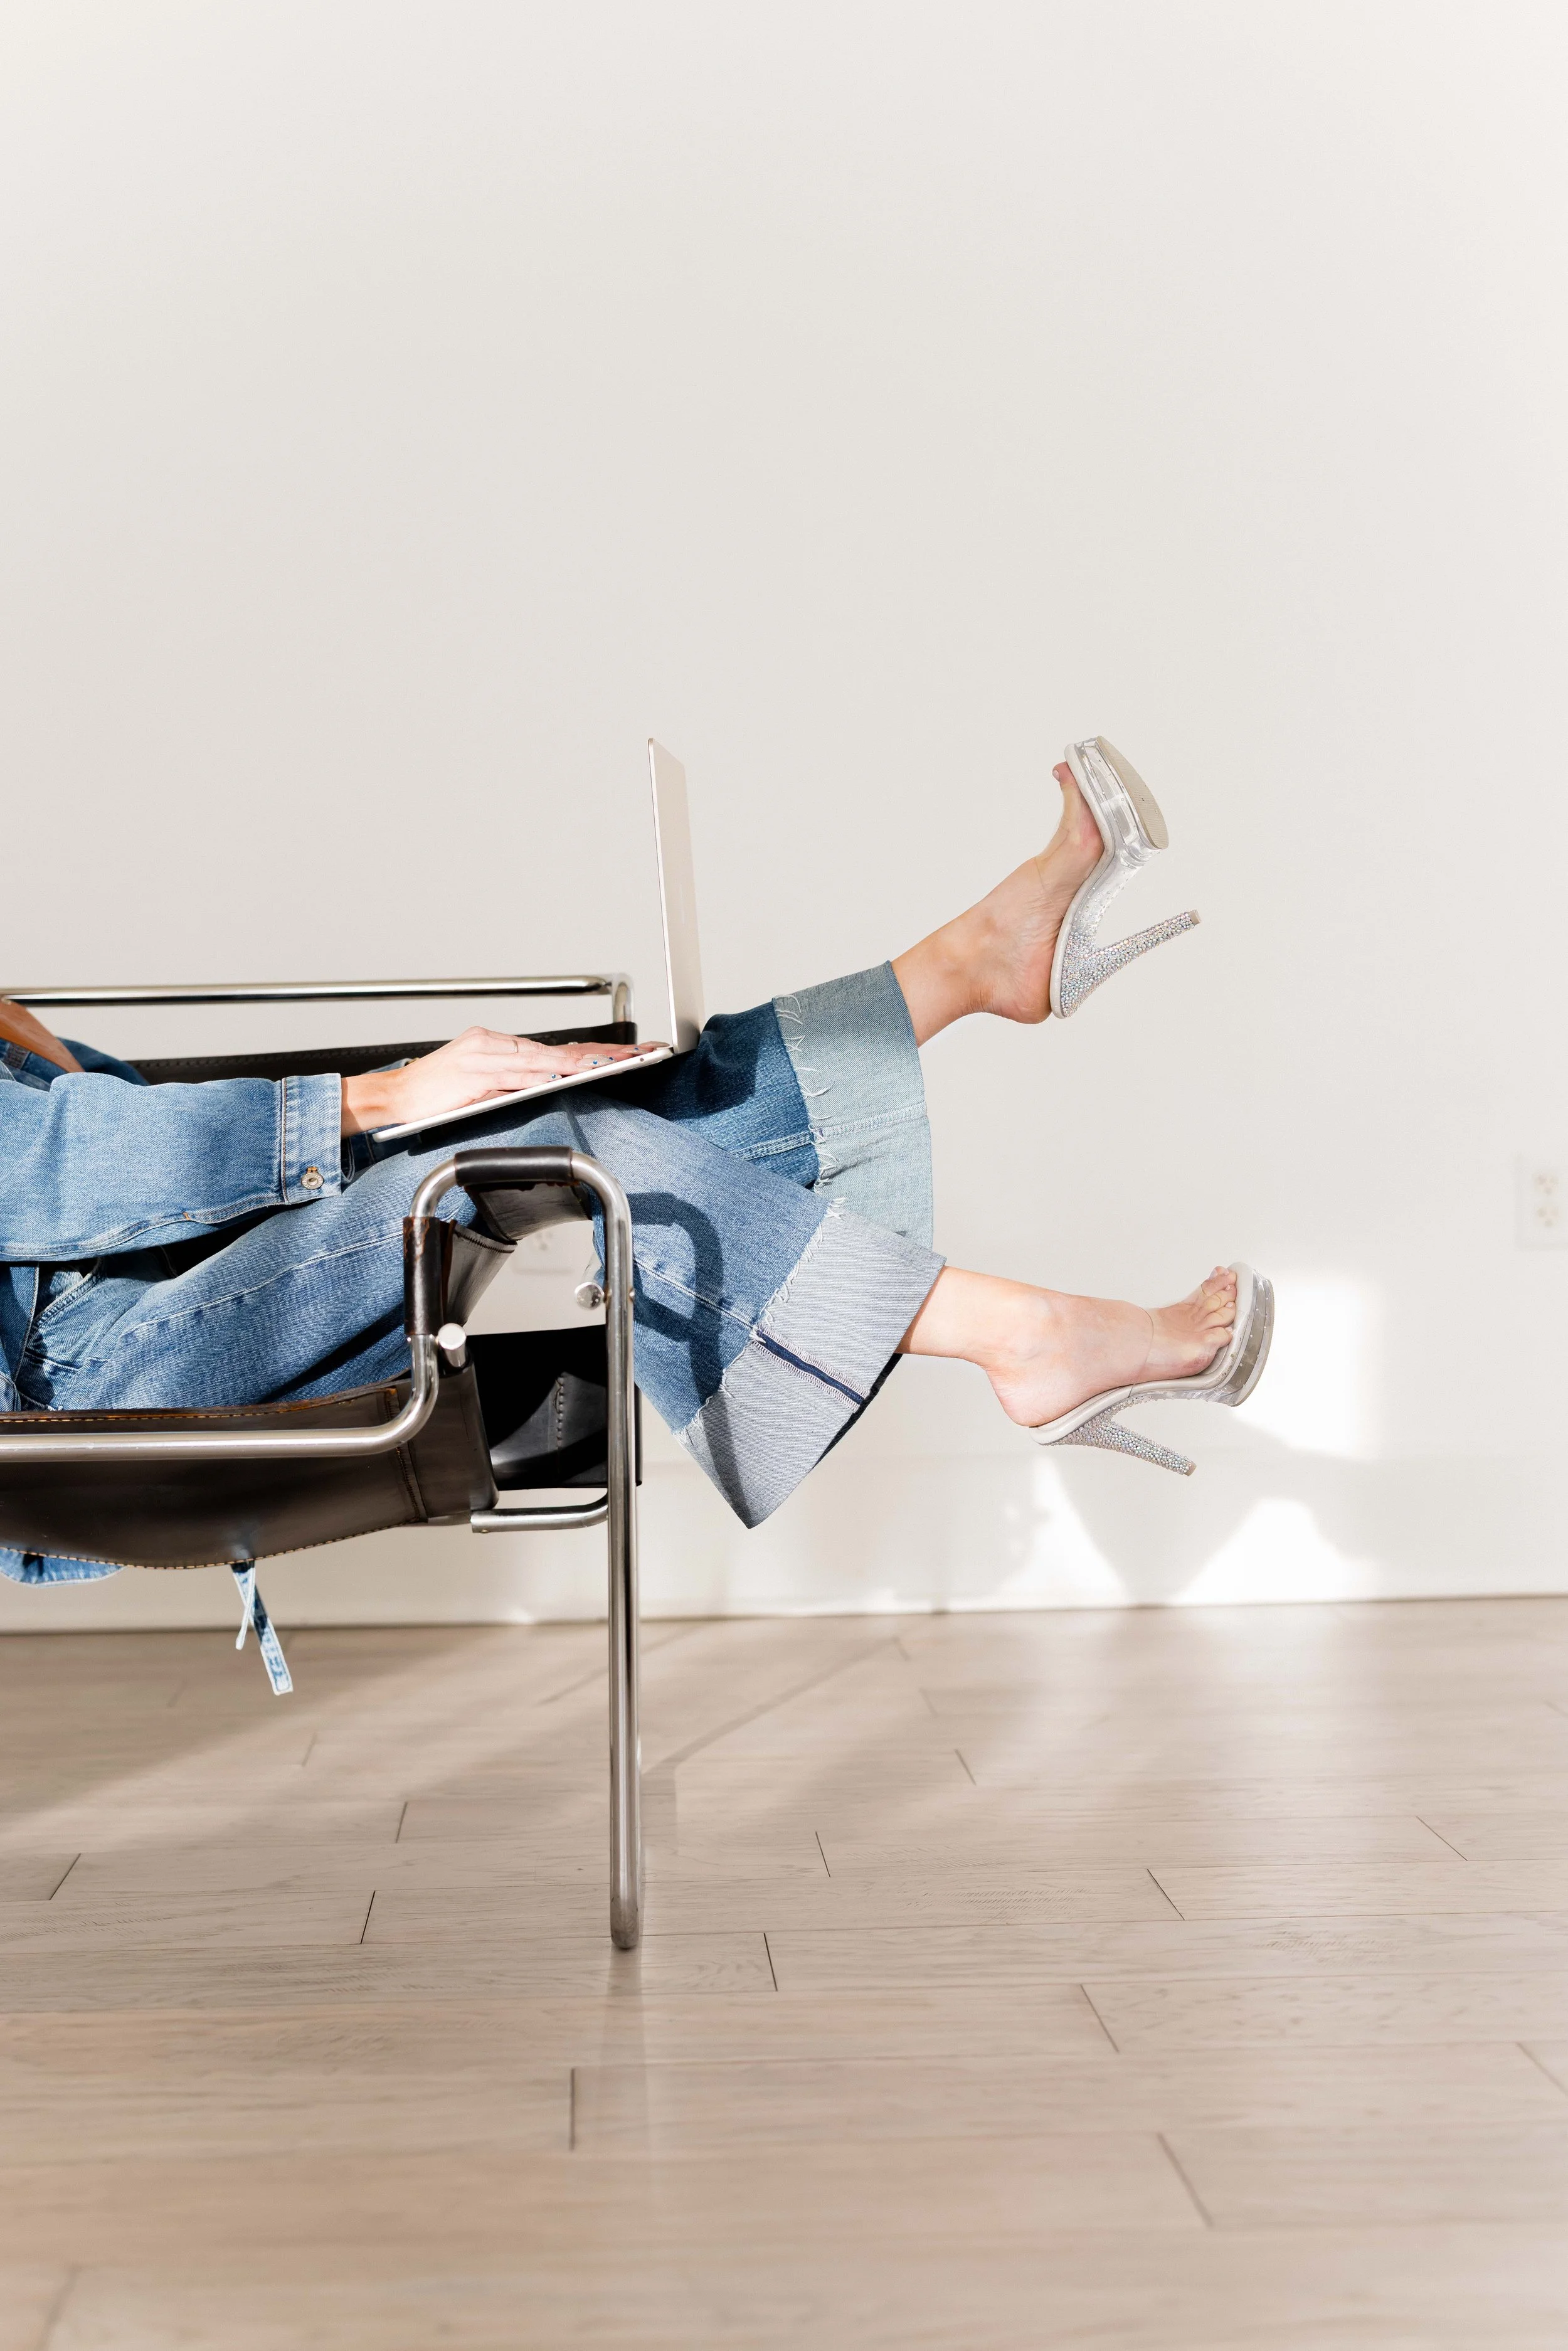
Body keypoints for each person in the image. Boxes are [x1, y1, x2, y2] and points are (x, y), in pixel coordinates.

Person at [0, 741, 1267, 1583]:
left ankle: (973, 964)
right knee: (562, 1144)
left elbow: (82, 1141)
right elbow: (43, 1169)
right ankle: (1026, 1332)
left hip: (146, 1281)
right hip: (81, 1378)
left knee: (564, 1090)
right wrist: (377, 1092)